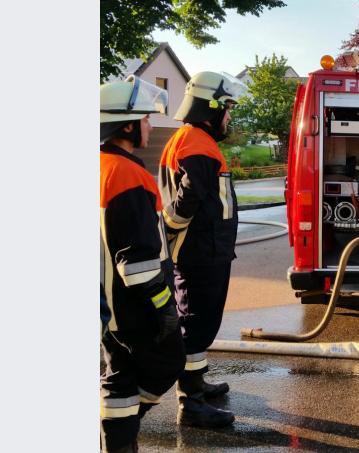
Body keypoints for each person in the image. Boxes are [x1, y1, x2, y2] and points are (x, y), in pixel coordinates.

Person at [100, 76, 185, 452]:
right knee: (166, 363)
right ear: (128, 124)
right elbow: (137, 264)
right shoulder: (129, 174)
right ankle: (122, 434)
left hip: (106, 305)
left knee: (119, 375)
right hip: (130, 308)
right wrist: (164, 308)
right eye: (146, 119)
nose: (151, 126)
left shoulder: (99, 165)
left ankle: (117, 442)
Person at [158, 71, 247, 428]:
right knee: (196, 323)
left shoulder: (193, 139)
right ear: (207, 108)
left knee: (201, 321)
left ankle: (196, 384)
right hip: (200, 252)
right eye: (225, 108)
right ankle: (190, 403)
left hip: (206, 249)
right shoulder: (195, 140)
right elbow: (189, 197)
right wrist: (173, 230)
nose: (228, 116)